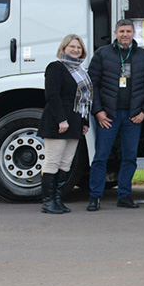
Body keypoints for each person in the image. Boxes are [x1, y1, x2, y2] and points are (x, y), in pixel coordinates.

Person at [86, 19, 144, 211]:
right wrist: (98, 112)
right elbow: (92, 85)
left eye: (128, 31)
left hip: (133, 116)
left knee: (129, 157)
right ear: (115, 33)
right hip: (108, 116)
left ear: (134, 33)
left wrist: (143, 112)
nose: (125, 34)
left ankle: (124, 196)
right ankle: (95, 197)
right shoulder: (102, 54)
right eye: (122, 31)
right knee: (101, 156)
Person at [37, 34, 92, 214]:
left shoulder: (80, 71)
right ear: (64, 48)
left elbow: (84, 100)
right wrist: (61, 120)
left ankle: (57, 199)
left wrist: (84, 122)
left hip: (75, 122)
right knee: (53, 162)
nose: (75, 50)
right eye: (72, 47)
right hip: (57, 122)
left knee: (66, 163)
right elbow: (52, 95)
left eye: (78, 47)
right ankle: (48, 202)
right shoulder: (56, 67)